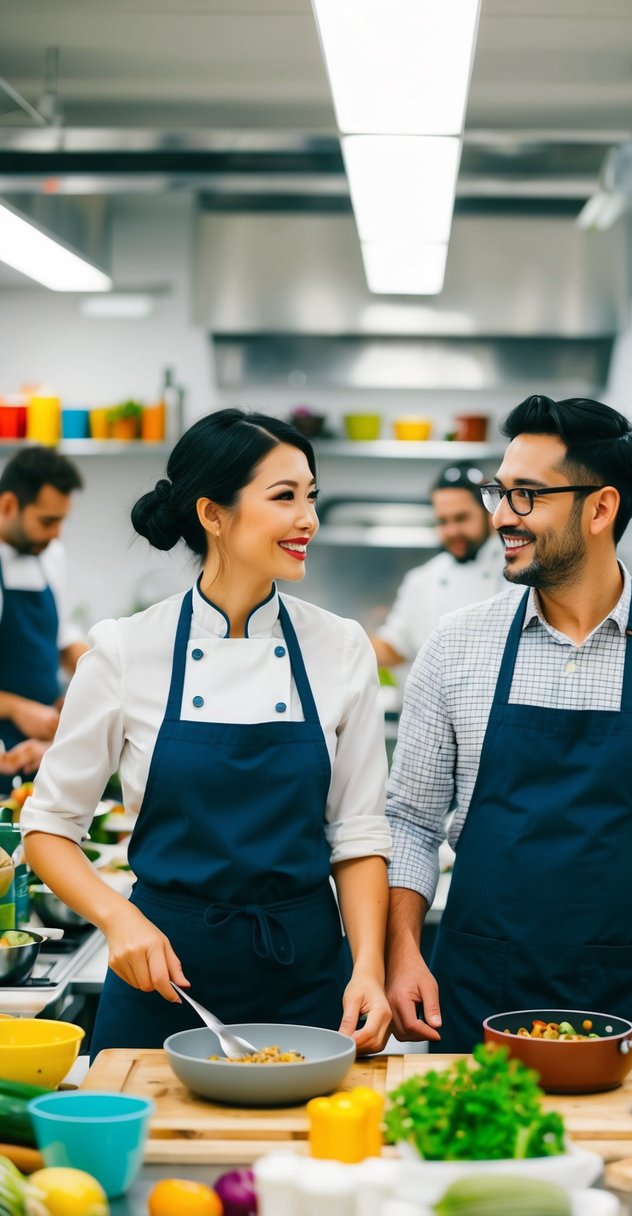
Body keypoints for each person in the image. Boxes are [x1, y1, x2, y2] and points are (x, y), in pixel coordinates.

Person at [384, 394, 632, 1054]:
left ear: (600, 507)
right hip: (476, 987)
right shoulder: (455, 645)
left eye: (526, 495)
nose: (502, 517)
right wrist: (399, 950)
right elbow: (410, 823)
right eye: (499, 493)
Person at [21, 409, 392, 1056]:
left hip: (307, 976)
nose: (308, 519)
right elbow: (49, 829)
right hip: (163, 975)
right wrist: (118, 921)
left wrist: (368, 968)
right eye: (284, 497)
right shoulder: (125, 649)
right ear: (212, 514)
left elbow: (358, 834)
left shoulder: (339, 647)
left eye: (311, 497)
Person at [0, 446, 86, 794]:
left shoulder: (50, 554)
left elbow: (64, 638)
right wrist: (19, 709)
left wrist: (96, 678)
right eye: (47, 521)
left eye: (61, 520)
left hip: (45, 748)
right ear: (8, 506)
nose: (57, 534)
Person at [370, 461, 508, 670]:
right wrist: (347, 642)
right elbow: (395, 646)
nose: (452, 531)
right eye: (443, 521)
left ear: (490, 514)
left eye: (461, 518)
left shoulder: (517, 572)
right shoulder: (422, 579)